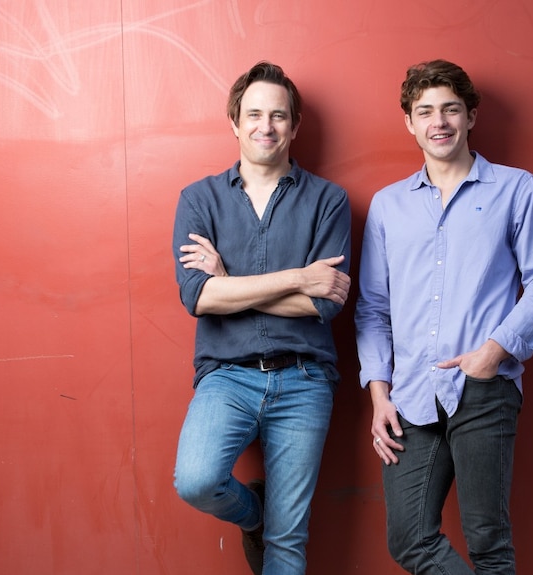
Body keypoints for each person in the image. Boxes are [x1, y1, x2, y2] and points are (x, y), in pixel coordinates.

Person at [354, 59, 533, 574]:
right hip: (409, 396)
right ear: (409, 122)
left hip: (483, 389)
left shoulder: (515, 189)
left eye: (450, 109)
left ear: (471, 116)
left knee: (488, 543)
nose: (438, 121)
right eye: (425, 111)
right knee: (409, 539)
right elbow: (372, 308)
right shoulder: (387, 206)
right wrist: (379, 394)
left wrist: (494, 352)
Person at [172, 61, 351, 575]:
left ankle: (271, 528)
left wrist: (229, 282)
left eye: (278, 116)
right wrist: (298, 278)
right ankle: (254, 516)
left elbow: (325, 305)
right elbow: (198, 298)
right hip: (225, 377)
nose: (265, 126)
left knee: (288, 543)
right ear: (234, 122)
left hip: (305, 378)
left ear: (294, 126)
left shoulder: (328, 201)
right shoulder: (198, 200)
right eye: (253, 114)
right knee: (197, 481)